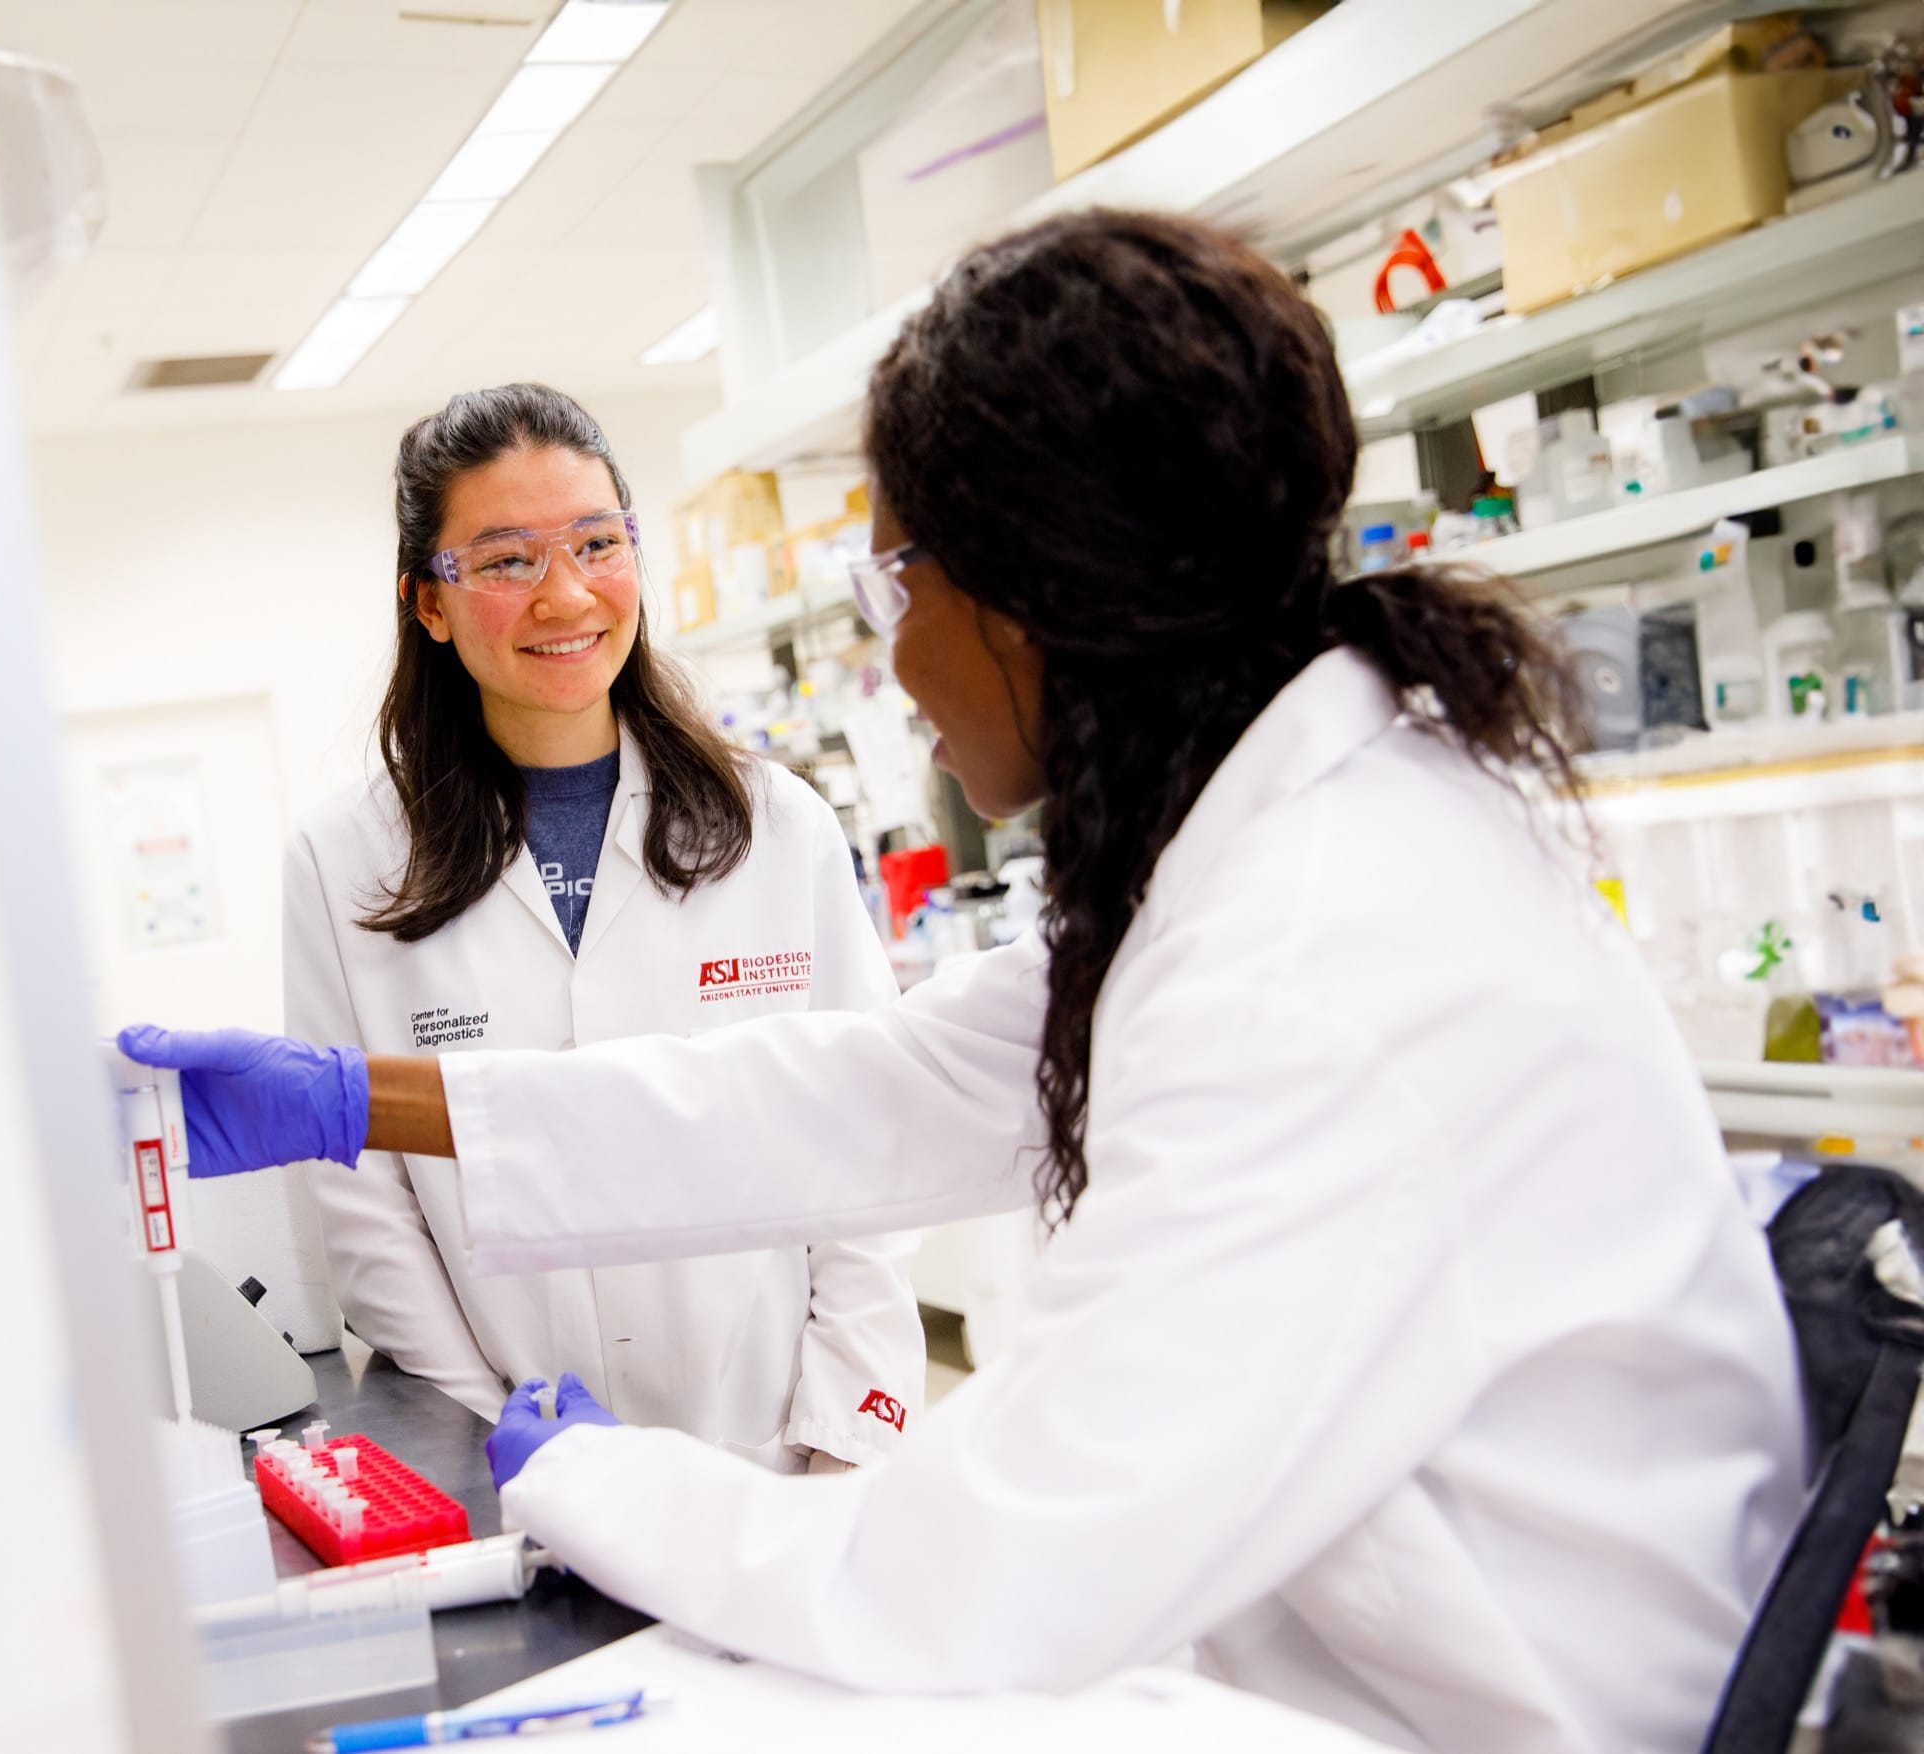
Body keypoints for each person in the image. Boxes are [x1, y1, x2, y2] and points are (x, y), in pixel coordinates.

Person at [120, 214, 1804, 1752]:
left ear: (1042, 589)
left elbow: (992, 1570)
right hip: (1329, 1646)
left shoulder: (1314, 958)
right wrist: (358, 1097)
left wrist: (603, 1481)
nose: (892, 654)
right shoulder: (1238, 859)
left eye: (899, 578)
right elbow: (857, 1086)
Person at [127, 383, 922, 1476]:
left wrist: (839, 1435)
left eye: (597, 542)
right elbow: (369, 1214)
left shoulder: (775, 822)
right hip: (523, 1465)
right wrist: (505, 1444)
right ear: (429, 602)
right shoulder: (343, 859)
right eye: (504, 560)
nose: (565, 593)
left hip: (783, 1447)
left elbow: (870, 1143)